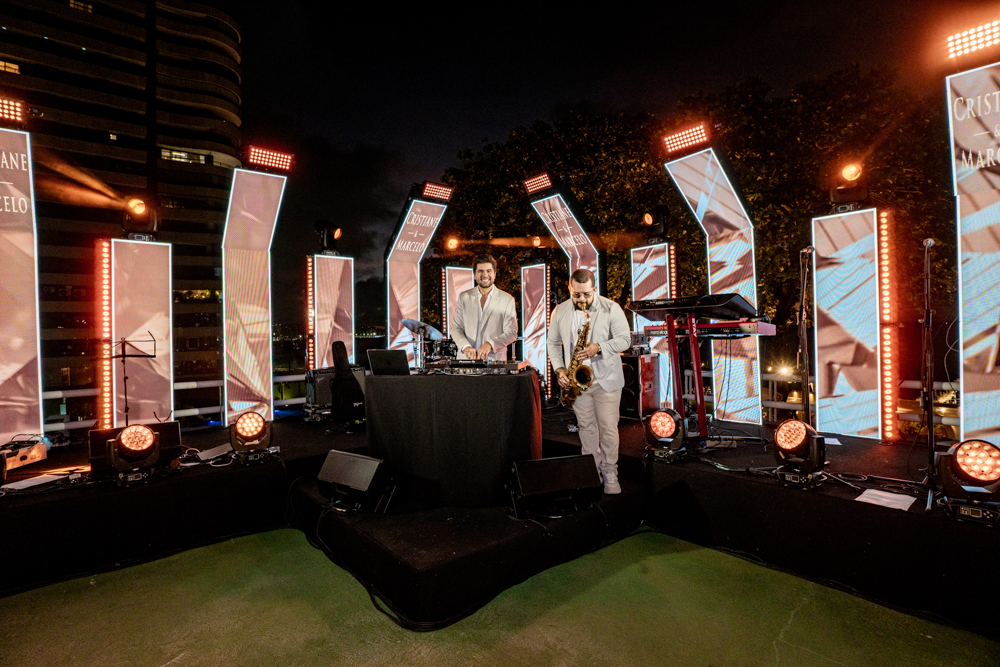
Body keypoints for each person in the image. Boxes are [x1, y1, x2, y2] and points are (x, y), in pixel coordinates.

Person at [547, 269, 631, 494]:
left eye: (586, 294)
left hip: (607, 380)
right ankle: (592, 471)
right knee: (586, 428)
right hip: (578, 381)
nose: (581, 299)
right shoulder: (560, 310)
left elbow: (625, 340)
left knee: (608, 428)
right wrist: (560, 370)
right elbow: (552, 343)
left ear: (594, 289)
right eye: (576, 295)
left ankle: (610, 472)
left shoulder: (611, 308)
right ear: (569, 289)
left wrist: (600, 347)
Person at [450, 254, 518, 361]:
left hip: (494, 361)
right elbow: (456, 328)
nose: (485, 275)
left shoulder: (507, 300)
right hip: (466, 361)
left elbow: (511, 332)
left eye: (489, 271)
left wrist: (490, 344)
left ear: (495, 274)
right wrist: (465, 346)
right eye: (480, 271)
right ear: (474, 275)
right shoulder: (464, 297)